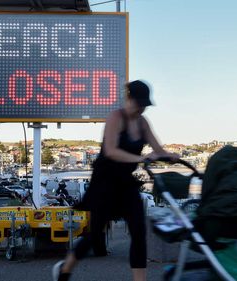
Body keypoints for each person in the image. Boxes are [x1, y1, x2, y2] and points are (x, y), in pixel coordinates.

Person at [52, 80, 179, 281]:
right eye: (138, 103)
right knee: (95, 236)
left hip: (125, 183)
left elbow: (157, 148)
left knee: (139, 233)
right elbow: (111, 151)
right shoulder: (115, 118)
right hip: (104, 183)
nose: (142, 108)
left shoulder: (143, 122)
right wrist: (140, 158)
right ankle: (65, 270)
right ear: (127, 98)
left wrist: (171, 155)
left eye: (145, 104)